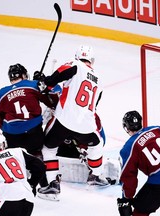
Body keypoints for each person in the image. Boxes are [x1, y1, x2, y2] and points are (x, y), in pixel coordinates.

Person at [35, 45, 108, 200]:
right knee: (97, 144)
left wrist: (45, 83)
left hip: (63, 121)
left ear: (77, 57)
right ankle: (95, 177)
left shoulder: (75, 65)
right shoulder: (100, 80)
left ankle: (53, 184)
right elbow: (94, 105)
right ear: (91, 61)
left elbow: (58, 76)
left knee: (48, 148)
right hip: (86, 125)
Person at [117, 111, 160, 216]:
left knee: (140, 212)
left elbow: (128, 177)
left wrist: (126, 198)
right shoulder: (157, 129)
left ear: (126, 128)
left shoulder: (129, 147)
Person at [0, 63, 59, 160]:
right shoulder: (33, 85)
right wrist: (44, 83)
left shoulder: (0, 94)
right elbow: (53, 102)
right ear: (23, 75)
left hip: (12, 138)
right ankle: (39, 159)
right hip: (34, 137)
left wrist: (8, 129)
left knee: (16, 155)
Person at [0, 132, 46, 216]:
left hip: (5, 199)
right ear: (3, 143)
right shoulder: (18, 152)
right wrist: (31, 184)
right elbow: (40, 166)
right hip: (27, 200)